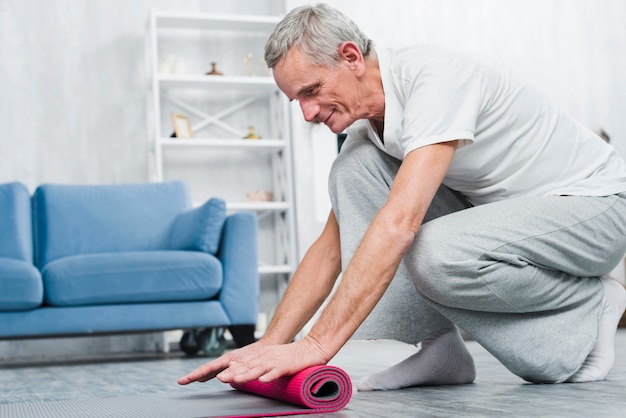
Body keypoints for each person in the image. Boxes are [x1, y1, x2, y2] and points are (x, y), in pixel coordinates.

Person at [178, 3, 626, 389]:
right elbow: (330, 248)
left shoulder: (435, 80)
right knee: (352, 170)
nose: (308, 112)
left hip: (597, 207)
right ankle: (440, 348)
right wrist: (270, 344)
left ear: (351, 56)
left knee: (439, 256)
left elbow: (399, 225)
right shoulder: (368, 130)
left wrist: (314, 347)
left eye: (311, 91)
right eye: (297, 100)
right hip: (513, 220)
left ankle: (593, 301)